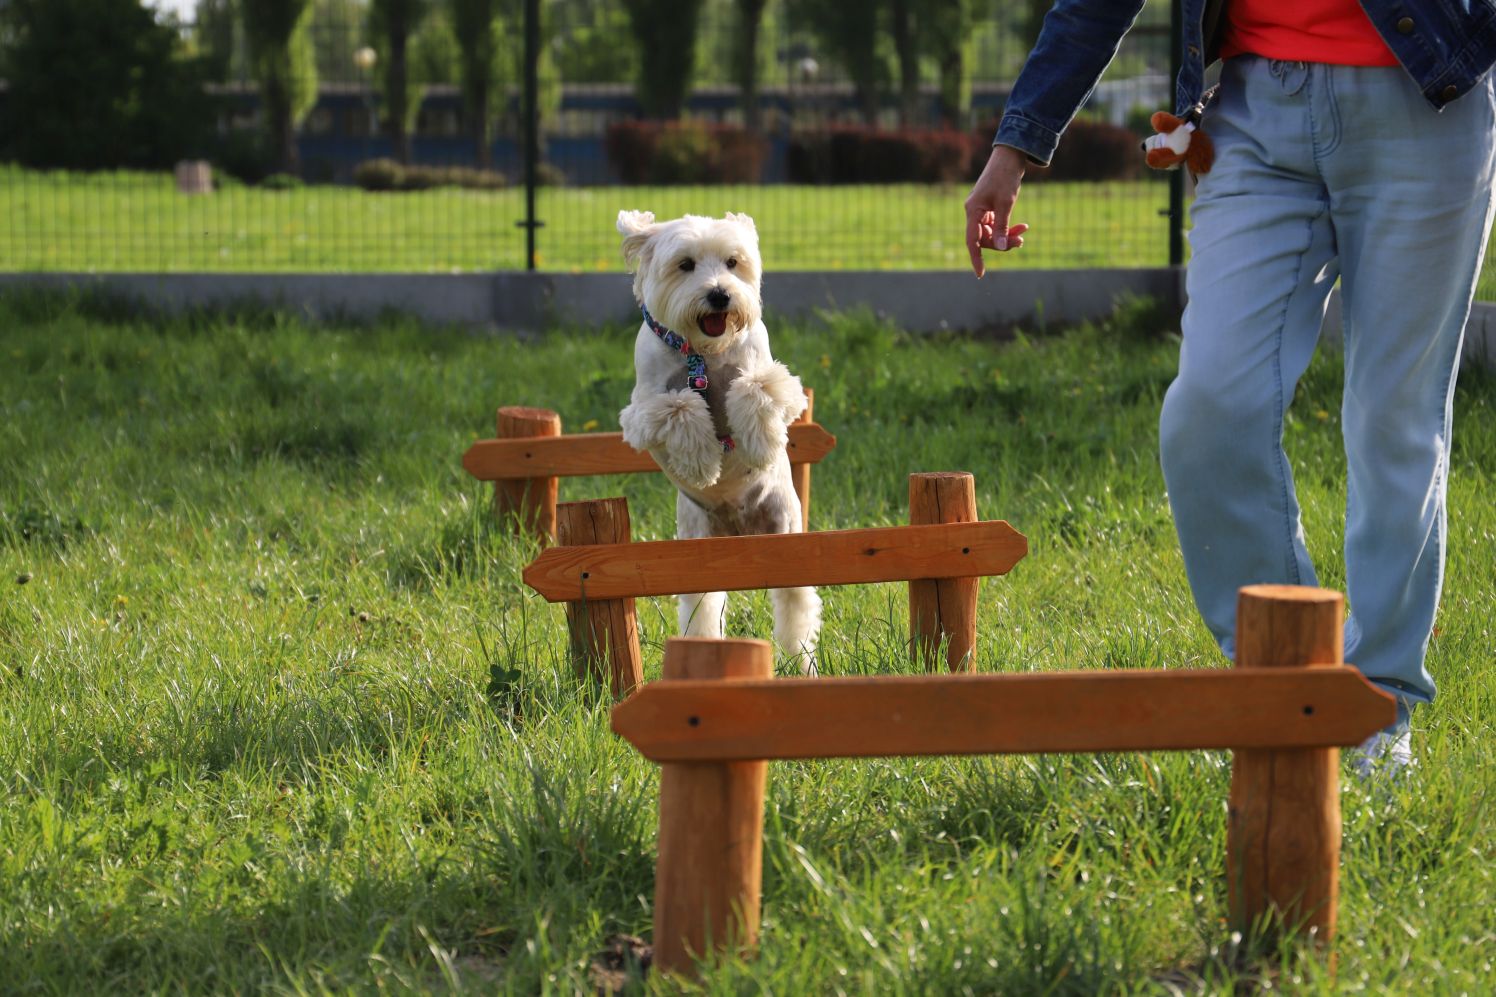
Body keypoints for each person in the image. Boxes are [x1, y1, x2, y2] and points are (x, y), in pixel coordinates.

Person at [965, 0, 1496, 774]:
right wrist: (1018, 142)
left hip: (1428, 101)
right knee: (1208, 410)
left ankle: (1377, 711)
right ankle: (1287, 689)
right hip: (1254, 110)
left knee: (1396, 419)